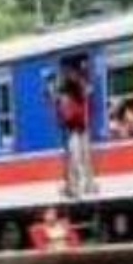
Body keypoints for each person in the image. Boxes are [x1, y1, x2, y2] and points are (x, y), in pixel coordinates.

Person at [52, 58, 94, 199]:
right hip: (74, 130)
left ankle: (82, 185)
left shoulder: (75, 87)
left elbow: (85, 91)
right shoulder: (67, 90)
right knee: (76, 157)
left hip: (80, 129)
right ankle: (76, 187)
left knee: (81, 156)